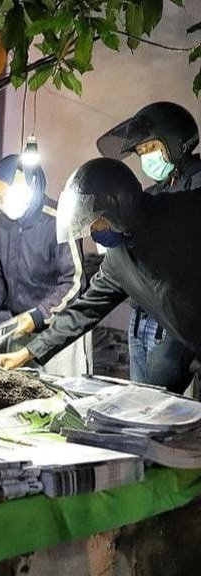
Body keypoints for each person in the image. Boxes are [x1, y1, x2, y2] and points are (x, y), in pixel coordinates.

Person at [0, 158, 201, 375]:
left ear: (117, 208)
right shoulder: (118, 261)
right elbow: (85, 309)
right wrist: (28, 352)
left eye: (96, 223)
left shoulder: (185, 214)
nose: (94, 233)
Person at [96, 102, 201, 392]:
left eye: (150, 147)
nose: (146, 158)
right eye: (141, 153)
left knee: (159, 408)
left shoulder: (195, 187)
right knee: (140, 406)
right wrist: (113, 234)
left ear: (175, 141)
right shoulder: (153, 193)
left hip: (173, 324)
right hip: (141, 317)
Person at [0, 154, 90, 375]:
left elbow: (73, 282)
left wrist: (38, 315)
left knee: (60, 399)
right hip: (20, 327)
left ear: (30, 186)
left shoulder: (60, 219)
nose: (5, 203)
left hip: (60, 331)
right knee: (22, 396)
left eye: (9, 195)